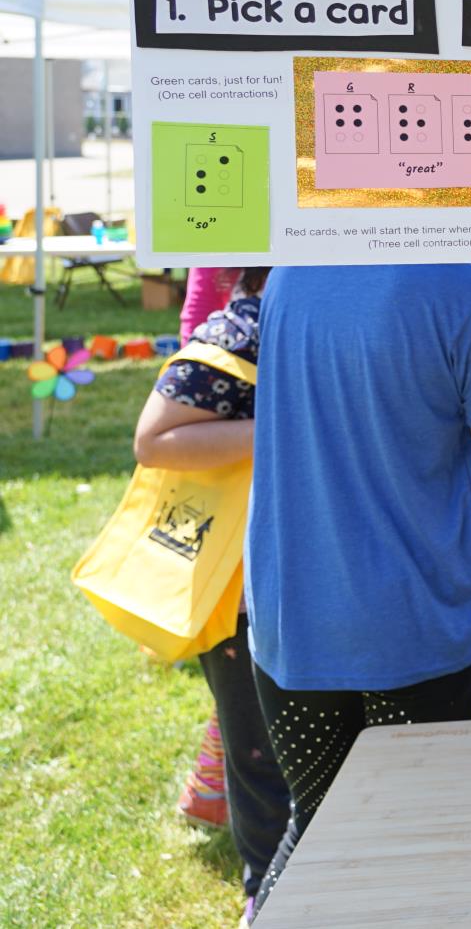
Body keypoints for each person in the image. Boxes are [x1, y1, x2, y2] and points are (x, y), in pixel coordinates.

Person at [245, 264, 471, 911]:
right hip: (412, 617)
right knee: (414, 849)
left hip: (294, 608)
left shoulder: (293, 270)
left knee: (315, 822)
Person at [135, 268, 289, 925]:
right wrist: (280, 433)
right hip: (242, 591)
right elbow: (154, 438)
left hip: (298, 580)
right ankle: (267, 896)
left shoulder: (305, 322)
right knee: (257, 756)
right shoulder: (240, 330)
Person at [170, 265, 243, 834]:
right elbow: (198, 330)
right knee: (238, 646)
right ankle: (216, 789)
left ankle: (212, 788)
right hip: (235, 481)